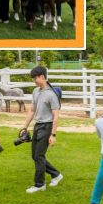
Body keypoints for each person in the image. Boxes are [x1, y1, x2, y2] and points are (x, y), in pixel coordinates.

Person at [19, 65, 63, 193]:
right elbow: (32, 110)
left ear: (42, 77)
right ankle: (56, 174)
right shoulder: (35, 91)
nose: (34, 81)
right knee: (35, 155)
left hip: (47, 126)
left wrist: (53, 135)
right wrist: (24, 127)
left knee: (39, 155)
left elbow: (56, 116)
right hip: (37, 126)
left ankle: (39, 184)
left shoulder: (51, 95)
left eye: (35, 78)